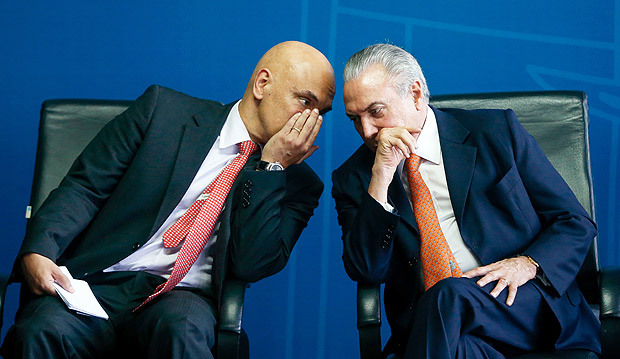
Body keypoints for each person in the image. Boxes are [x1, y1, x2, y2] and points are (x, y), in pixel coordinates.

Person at [1, 41, 335, 359]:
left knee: (183, 332)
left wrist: (270, 169)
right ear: (262, 84)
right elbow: (86, 187)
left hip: (180, 297)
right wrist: (38, 250)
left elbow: (250, 265)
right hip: (96, 282)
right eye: (306, 102)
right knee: (41, 331)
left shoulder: (299, 186)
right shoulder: (163, 112)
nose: (312, 122)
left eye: (322, 112)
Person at [332, 43, 600, 358]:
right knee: (456, 343)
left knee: (447, 296)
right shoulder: (355, 177)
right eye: (354, 118)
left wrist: (528, 264)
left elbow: (574, 221)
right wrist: (382, 174)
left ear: (416, 94)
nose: (366, 130)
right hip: (442, 329)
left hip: (523, 303)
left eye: (376, 112)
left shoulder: (496, 132)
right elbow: (367, 270)